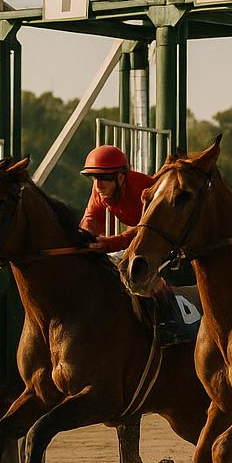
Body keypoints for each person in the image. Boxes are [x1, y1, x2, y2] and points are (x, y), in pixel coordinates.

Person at [79, 145, 189, 344]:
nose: (98, 185)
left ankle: (172, 323)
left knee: (148, 278)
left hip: (172, 237)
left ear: (121, 177)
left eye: (104, 178)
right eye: (94, 178)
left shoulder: (143, 189)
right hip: (149, 240)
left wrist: (110, 243)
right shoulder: (99, 192)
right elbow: (90, 222)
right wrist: (83, 240)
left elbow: (145, 230)